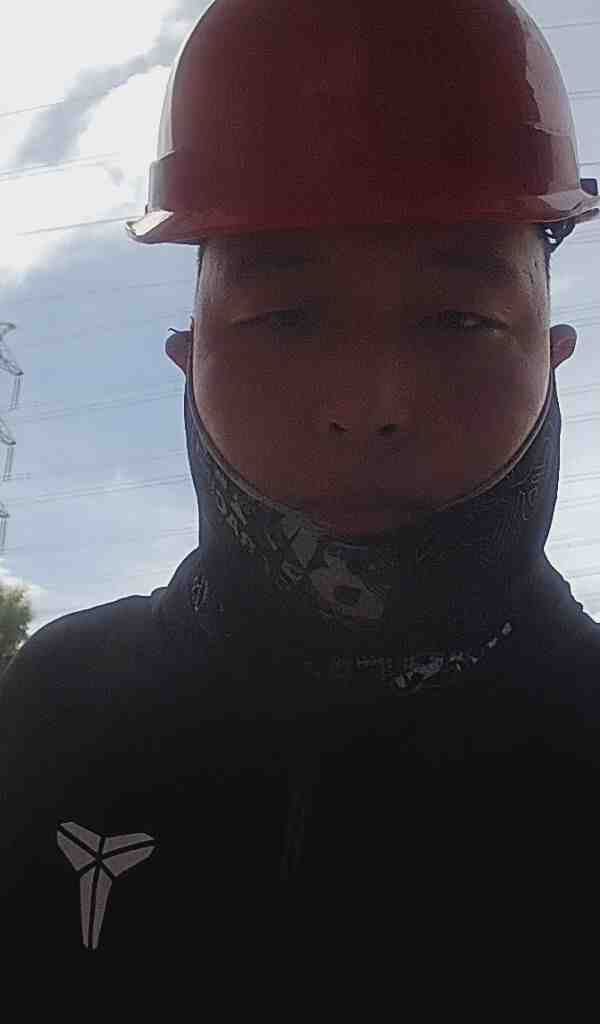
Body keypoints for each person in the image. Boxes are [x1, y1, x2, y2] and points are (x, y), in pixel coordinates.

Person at [2, 0, 600, 978]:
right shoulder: (54, 712)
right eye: (285, 317)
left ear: (552, 358)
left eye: (458, 320)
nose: (367, 406)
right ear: (188, 359)